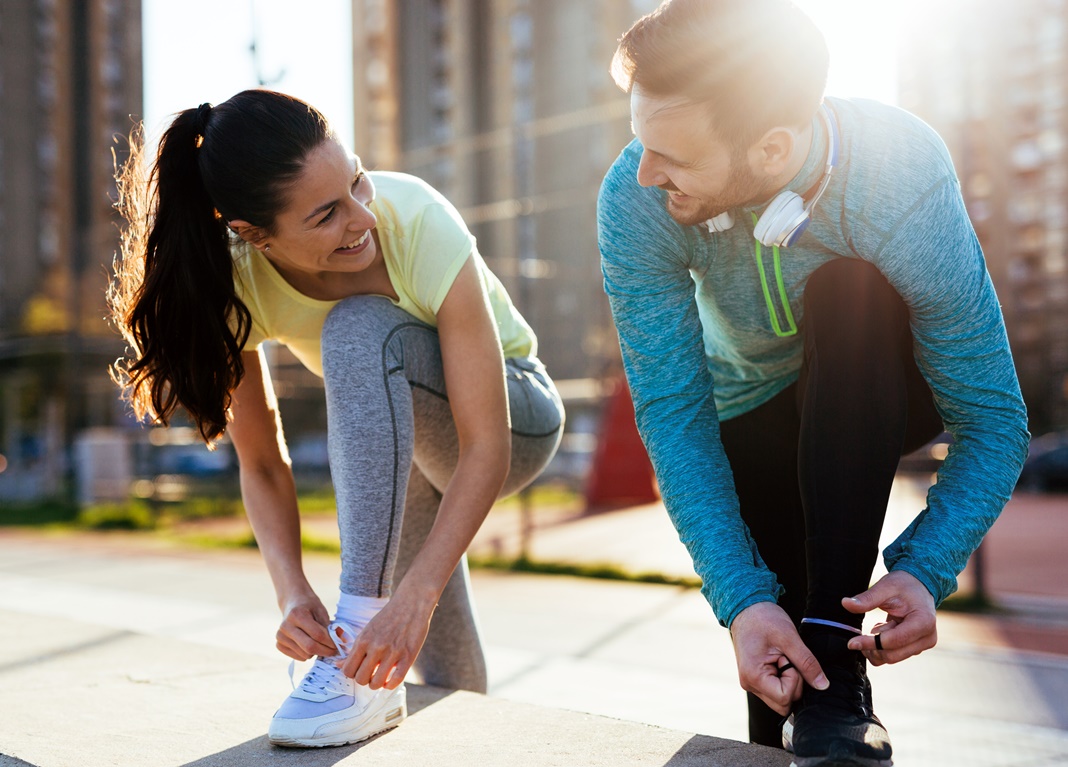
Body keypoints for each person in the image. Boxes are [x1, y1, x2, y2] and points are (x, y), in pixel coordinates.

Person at [597, 1, 1029, 764]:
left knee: (849, 288)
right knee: (784, 686)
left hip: (881, 386)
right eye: (639, 140)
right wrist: (743, 600)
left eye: (669, 154)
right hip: (751, 415)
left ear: (770, 149)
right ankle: (827, 698)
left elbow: (993, 417)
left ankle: (838, 650)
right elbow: (673, 414)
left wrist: (926, 566)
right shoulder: (635, 201)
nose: (643, 172)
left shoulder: (899, 171)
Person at [110, 89, 564, 748]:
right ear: (254, 235)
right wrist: (292, 592)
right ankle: (440, 728)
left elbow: (486, 445)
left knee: (355, 329)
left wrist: (415, 592)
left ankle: (356, 623)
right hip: (404, 448)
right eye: (327, 214)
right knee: (423, 663)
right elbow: (262, 463)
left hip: (516, 418)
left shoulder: (416, 221)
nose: (361, 219)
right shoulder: (235, 282)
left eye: (356, 181)